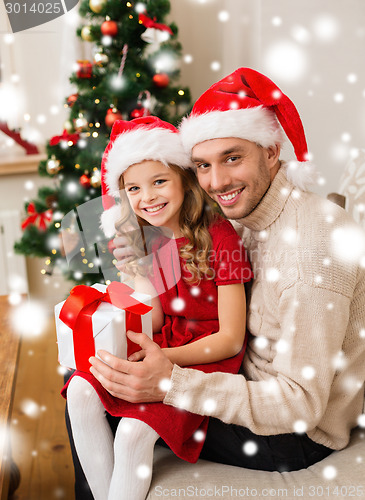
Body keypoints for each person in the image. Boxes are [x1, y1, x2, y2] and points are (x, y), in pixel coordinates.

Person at [88, 68, 365, 474]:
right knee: (89, 379)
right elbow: (180, 292)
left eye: (232, 158)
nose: (216, 182)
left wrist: (171, 381)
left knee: (111, 405)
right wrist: (142, 262)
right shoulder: (239, 217)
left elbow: (299, 406)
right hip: (238, 374)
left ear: (271, 151)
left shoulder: (311, 250)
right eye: (202, 166)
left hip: (292, 435)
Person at [62, 115, 252, 500]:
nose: (146, 197)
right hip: (165, 342)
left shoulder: (220, 237)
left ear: (184, 178)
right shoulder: (153, 238)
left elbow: (231, 339)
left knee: (132, 432)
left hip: (204, 358)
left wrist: (162, 358)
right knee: (81, 388)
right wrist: (138, 277)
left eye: (159, 181)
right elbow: (159, 318)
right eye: (133, 188)